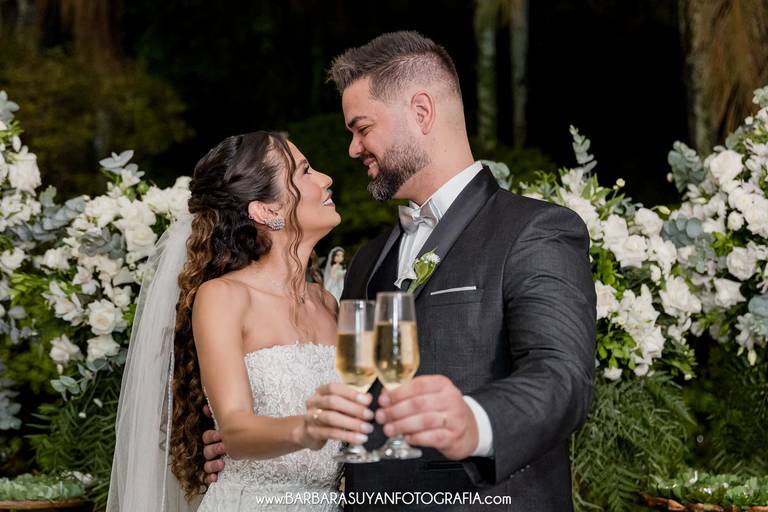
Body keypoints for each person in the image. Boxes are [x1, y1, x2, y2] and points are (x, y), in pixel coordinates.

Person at [206, 32, 596, 510]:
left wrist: (476, 422)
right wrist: (249, 446)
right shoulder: (367, 263)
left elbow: (563, 378)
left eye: (362, 128)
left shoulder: (534, 231)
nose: (353, 149)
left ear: (422, 112)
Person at [106, 132, 373, 511]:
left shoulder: (328, 303)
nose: (325, 178)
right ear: (265, 210)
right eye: (305, 171)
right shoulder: (224, 297)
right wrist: (307, 427)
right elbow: (234, 429)